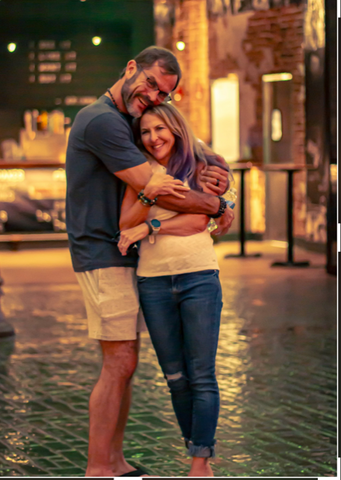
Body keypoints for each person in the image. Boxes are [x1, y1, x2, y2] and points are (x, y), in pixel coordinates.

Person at [65, 46, 234, 477]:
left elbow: (195, 152)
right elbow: (153, 184)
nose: (155, 96)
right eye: (152, 84)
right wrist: (217, 205)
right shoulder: (101, 120)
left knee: (127, 362)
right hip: (104, 251)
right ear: (130, 68)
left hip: (126, 254)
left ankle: (115, 461)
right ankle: (99, 466)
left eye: (165, 96)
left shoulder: (129, 120)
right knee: (119, 361)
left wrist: (220, 172)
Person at [117, 103, 230, 477]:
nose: (153, 138)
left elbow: (201, 218)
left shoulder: (199, 167)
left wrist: (151, 228)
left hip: (198, 276)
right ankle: (197, 450)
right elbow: (125, 221)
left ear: (176, 129)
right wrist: (149, 195)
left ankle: (200, 464)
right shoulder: (141, 173)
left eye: (159, 129)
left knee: (201, 374)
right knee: (175, 378)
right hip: (154, 282)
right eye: (145, 132)